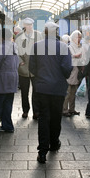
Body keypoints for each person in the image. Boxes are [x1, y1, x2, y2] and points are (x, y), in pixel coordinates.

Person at [29, 21, 72, 163]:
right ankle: (54, 143)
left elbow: (32, 67)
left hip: (41, 88)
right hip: (58, 89)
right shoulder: (64, 47)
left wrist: (40, 77)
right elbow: (67, 69)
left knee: (43, 118)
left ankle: (42, 151)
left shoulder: (37, 46)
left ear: (45, 32)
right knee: (55, 117)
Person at [15, 17, 44, 119]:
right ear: (24, 25)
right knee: (24, 91)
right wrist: (19, 61)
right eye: (27, 25)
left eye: (31, 25)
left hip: (36, 68)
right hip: (23, 68)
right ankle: (25, 110)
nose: (29, 27)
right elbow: (15, 51)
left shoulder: (38, 35)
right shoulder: (18, 36)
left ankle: (36, 111)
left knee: (36, 91)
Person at [62, 30, 86, 117]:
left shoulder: (80, 46)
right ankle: (64, 110)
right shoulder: (69, 46)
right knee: (68, 92)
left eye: (80, 37)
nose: (79, 39)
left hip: (77, 71)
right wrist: (77, 55)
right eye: (77, 37)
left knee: (73, 92)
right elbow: (69, 57)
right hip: (71, 71)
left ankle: (72, 109)